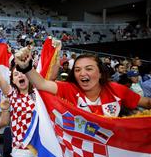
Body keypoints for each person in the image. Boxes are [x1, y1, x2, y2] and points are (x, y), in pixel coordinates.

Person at [14, 48, 151, 116]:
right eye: (78, 70)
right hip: (80, 156)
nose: (82, 73)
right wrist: (26, 67)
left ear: (100, 73)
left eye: (89, 69)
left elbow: (146, 103)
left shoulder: (116, 89)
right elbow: (42, 84)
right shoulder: (69, 89)